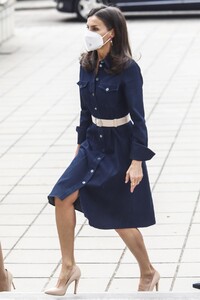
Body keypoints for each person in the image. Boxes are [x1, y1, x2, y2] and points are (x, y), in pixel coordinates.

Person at [45, 5, 159, 296]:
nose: (89, 33)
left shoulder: (129, 69)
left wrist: (136, 161)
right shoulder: (86, 63)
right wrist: (79, 145)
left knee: (119, 216)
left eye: (95, 28)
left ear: (112, 33)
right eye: (88, 27)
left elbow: (139, 118)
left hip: (120, 145)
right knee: (61, 196)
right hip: (92, 143)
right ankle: (68, 267)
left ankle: (148, 272)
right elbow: (85, 111)